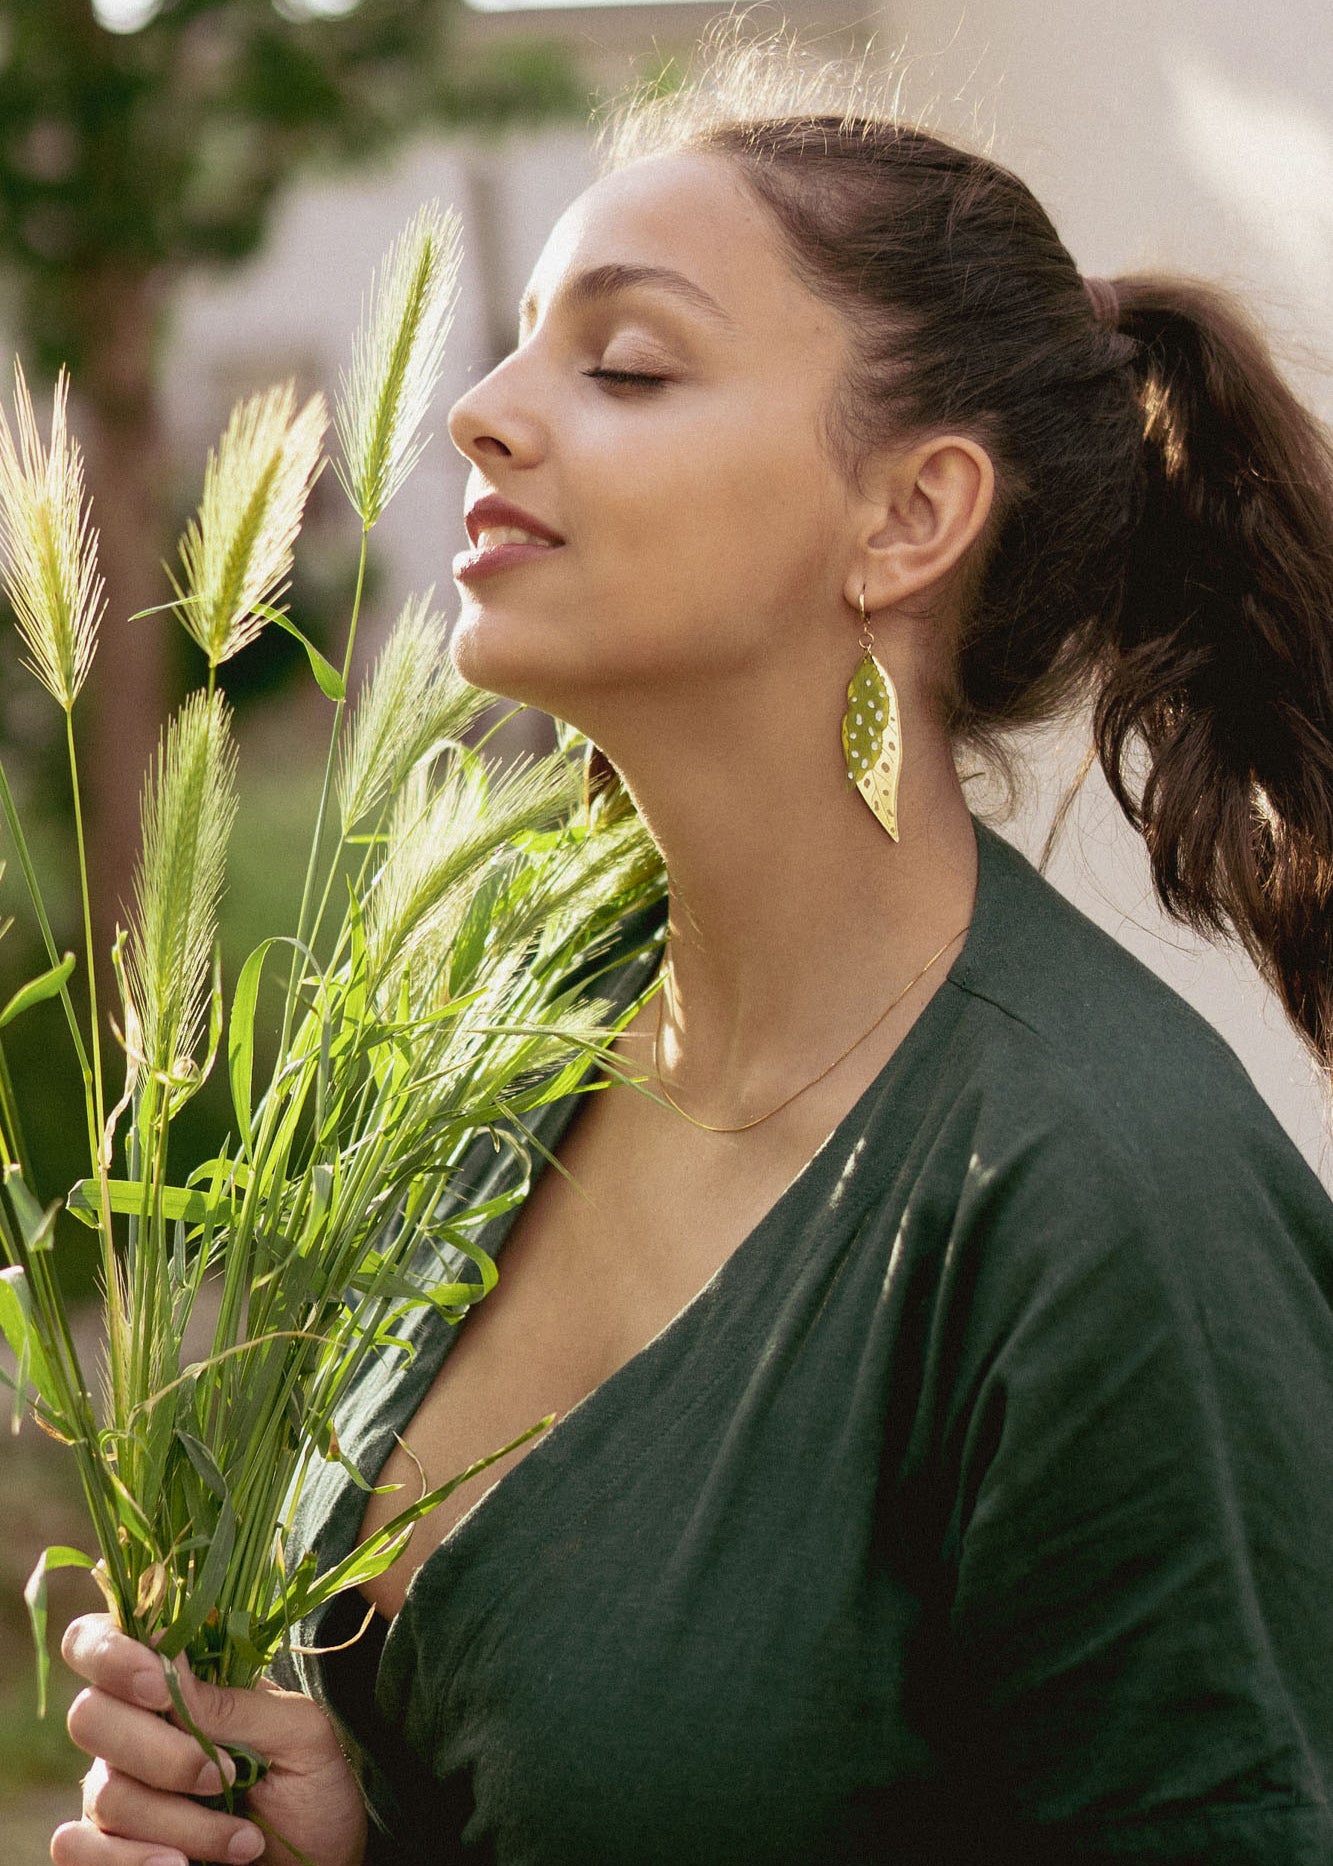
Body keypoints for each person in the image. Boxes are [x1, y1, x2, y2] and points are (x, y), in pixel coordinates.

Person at [51, 27, 1333, 1866]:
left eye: (627, 363)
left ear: (909, 516)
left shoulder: (1102, 1208)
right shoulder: (507, 1052)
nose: (482, 409)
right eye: (514, 339)